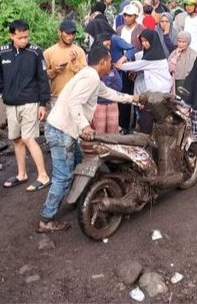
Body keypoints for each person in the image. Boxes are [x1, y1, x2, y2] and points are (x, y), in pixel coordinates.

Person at [37, 45, 140, 233]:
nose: (111, 64)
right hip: (62, 132)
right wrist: (84, 126)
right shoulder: (91, 77)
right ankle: (46, 219)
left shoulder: (91, 75)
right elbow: (74, 102)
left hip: (62, 130)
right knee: (63, 176)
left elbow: (109, 93)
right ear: (103, 62)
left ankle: (79, 198)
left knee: (79, 163)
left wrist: (133, 98)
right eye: (109, 61)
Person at [1, 20, 51, 192]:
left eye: (26, 37)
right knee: (16, 139)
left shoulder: (35, 52)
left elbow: (43, 79)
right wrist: (4, 92)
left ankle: (43, 176)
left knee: (29, 138)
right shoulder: (3, 52)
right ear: (11, 36)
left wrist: (42, 104)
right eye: (20, 37)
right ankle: (21, 174)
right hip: (10, 103)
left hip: (30, 102)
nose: (24, 40)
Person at [116, 29, 173, 133]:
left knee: (146, 123)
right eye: (142, 41)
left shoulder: (152, 59)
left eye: (146, 41)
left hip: (157, 96)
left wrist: (120, 63)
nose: (144, 44)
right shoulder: (156, 55)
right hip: (157, 94)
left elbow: (132, 66)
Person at [116, 3, 145, 133]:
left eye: (130, 16)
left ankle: (133, 125)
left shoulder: (141, 29)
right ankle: (122, 124)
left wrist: (136, 68)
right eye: (125, 15)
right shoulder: (119, 29)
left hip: (136, 67)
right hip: (121, 67)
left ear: (135, 16)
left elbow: (143, 50)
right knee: (121, 95)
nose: (127, 18)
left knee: (135, 97)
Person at [44, 20, 87, 107]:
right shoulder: (49, 52)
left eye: (73, 34)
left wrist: (75, 62)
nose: (70, 37)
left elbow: (85, 74)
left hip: (75, 96)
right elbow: (43, 75)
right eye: (67, 33)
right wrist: (54, 71)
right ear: (59, 32)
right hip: (57, 97)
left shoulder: (79, 51)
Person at [91, 35, 122, 134]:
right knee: (99, 132)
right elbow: (95, 88)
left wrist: (106, 84)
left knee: (113, 132)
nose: (108, 47)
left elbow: (119, 86)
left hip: (112, 103)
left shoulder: (112, 68)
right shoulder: (92, 69)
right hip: (98, 104)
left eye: (109, 45)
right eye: (106, 44)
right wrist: (108, 85)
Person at [168, 31, 197, 96]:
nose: (181, 44)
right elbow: (168, 68)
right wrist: (176, 57)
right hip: (175, 83)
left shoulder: (194, 54)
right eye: (179, 41)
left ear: (188, 42)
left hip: (188, 83)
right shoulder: (173, 54)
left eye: (184, 42)